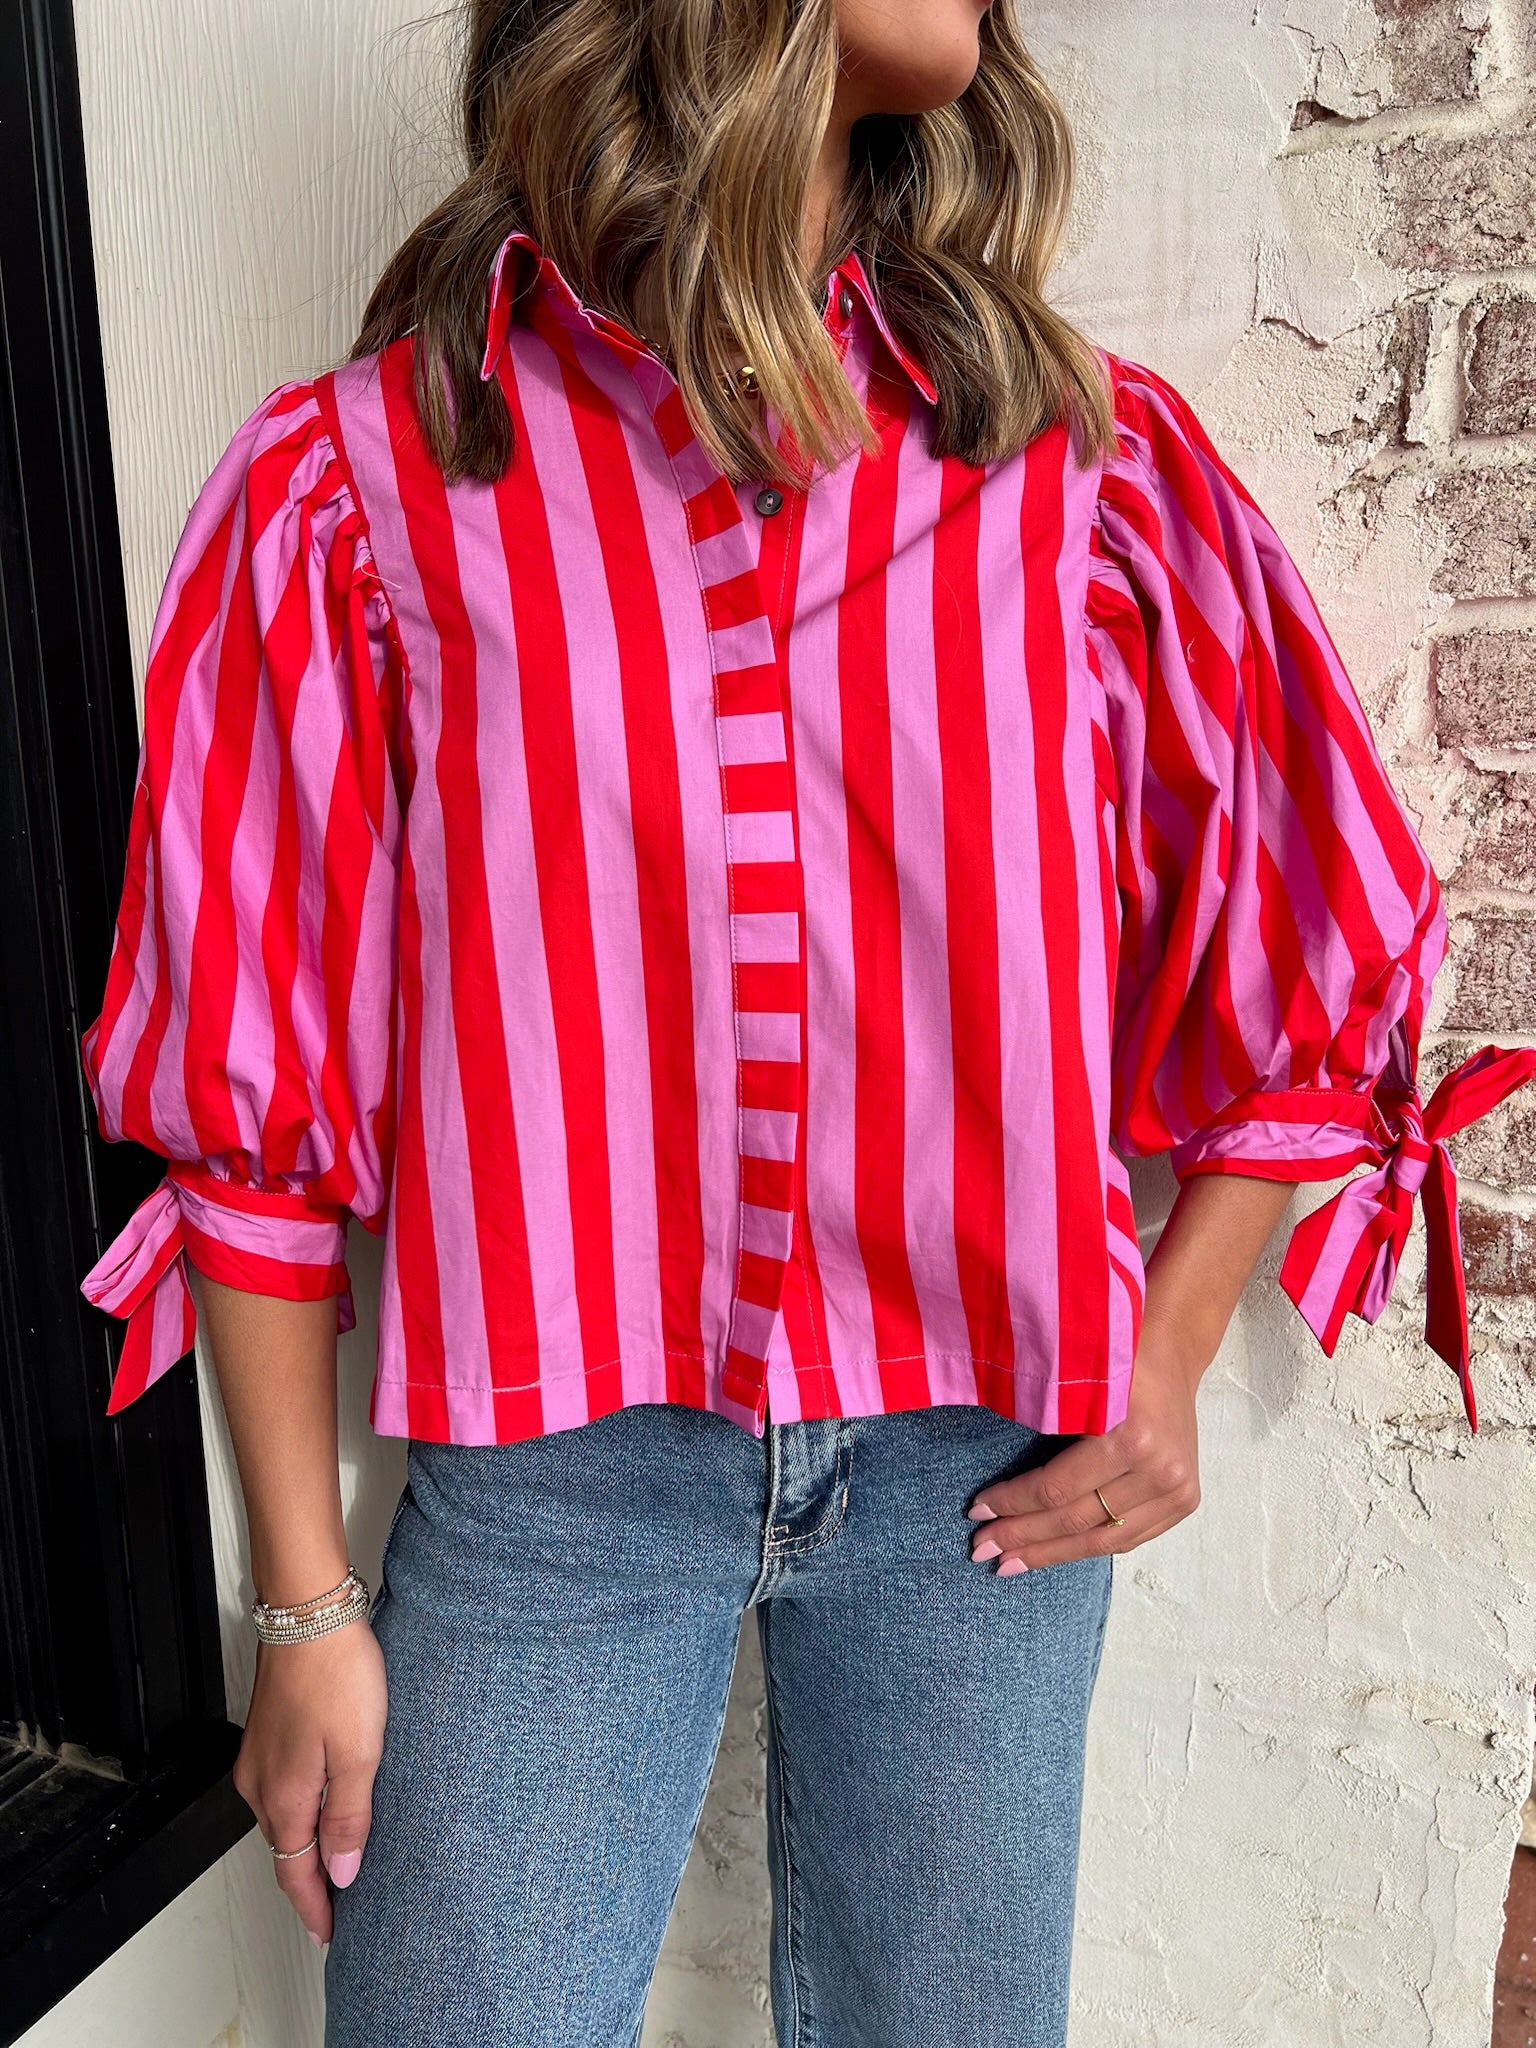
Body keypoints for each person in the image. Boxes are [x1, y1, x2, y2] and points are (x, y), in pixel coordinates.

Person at [75, 1, 1536, 2043]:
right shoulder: (367, 485)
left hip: (987, 1473)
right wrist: (304, 1598)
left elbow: (1307, 931)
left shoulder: (1075, 467)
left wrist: (1171, 1351)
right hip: (555, 1474)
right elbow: (252, 1075)